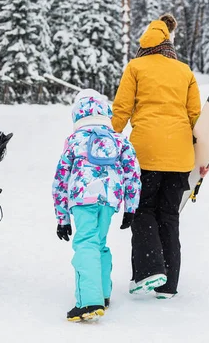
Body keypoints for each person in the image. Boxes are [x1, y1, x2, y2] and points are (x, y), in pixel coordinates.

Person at [111, 14, 205, 300]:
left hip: (146, 155)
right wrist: (203, 156)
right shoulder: (184, 71)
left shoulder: (136, 67)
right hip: (179, 158)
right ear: (168, 43)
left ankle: (150, 270)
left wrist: (106, 140)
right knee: (169, 216)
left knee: (142, 210)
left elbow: (121, 110)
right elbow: (195, 117)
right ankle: (168, 284)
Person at [52, 89, 141, 322]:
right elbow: (133, 173)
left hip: (83, 199)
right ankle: (102, 293)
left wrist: (62, 217)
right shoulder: (119, 139)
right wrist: (130, 208)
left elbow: (61, 179)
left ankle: (89, 302)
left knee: (85, 244)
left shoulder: (74, 140)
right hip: (110, 200)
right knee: (99, 243)